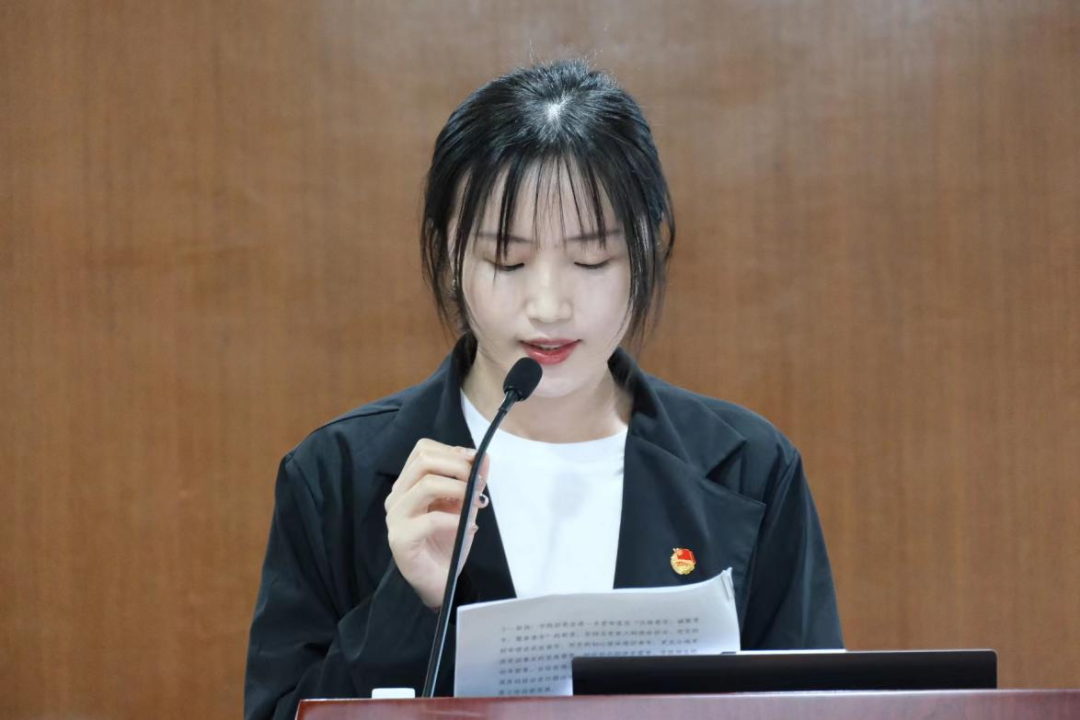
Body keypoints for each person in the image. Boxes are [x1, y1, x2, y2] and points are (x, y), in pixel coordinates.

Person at [244, 59, 843, 720]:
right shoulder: (337, 476)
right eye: (508, 261)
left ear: (646, 252)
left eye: (591, 260)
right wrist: (407, 604)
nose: (550, 305)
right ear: (450, 257)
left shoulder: (751, 470)